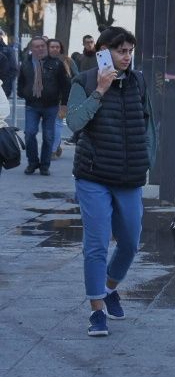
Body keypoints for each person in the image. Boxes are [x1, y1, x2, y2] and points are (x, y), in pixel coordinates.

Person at [65, 27, 152, 338]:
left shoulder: (138, 81)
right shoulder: (84, 81)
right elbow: (74, 122)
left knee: (130, 242)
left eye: (130, 51)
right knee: (97, 243)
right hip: (93, 175)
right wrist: (100, 90)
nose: (126, 57)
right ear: (102, 51)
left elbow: (147, 123)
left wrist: (147, 159)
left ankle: (109, 287)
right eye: (120, 51)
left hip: (129, 176)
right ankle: (97, 310)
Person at [19, 36, 71, 175]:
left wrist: (64, 104)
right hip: (32, 105)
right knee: (29, 134)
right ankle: (32, 162)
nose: (40, 48)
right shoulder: (26, 63)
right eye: (37, 46)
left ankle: (45, 165)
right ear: (32, 48)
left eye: (42, 46)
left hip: (51, 106)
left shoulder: (56, 64)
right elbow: (21, 81)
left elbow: (65, 85)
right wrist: (24, 93)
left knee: (48, 137)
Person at [47, 39, 70, 157]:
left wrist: (64, 103)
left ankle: (53, 150)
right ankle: (55, 147)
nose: (55, 49)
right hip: (44, 100)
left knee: (57, 124)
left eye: (57, 47)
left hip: (59, 99)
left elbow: (68, 83)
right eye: (52, 47)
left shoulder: (64, 62)